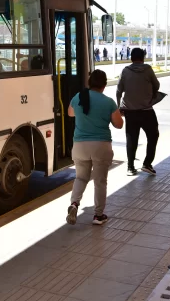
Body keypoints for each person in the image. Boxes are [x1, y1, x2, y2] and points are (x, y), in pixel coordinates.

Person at [66, 70, 124, 226]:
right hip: (100, 146)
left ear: (89, 83)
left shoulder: (79, 97)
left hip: (79, 146)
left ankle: (74, 204)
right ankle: (98, 216)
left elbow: (70, 113)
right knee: (100, 182)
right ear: (104, 85)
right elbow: (119, 124)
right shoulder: (108, 102)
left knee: (81, 177)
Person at [116, 48, 160, 176]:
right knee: (153, 136)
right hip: (147, 111)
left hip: (130, 112)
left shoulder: (125, 71)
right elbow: (157, 85)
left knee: (131, 138)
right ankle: (147, 164)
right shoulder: (148, 70)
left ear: (131, 58)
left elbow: (119, 91)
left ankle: (130, 167)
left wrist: (119, 107)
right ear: (143, 58)